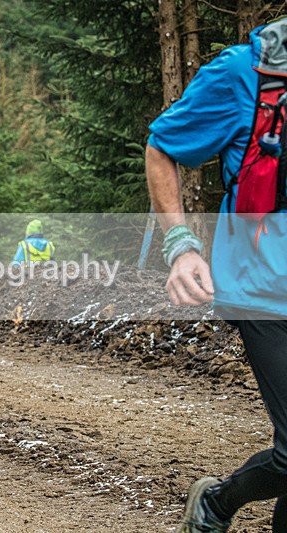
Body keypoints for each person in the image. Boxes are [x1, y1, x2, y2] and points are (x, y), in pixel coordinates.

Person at [145, 19, 287, 533]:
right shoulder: (241, 72)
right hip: (263, 290)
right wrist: (181, 246)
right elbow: (162, 148)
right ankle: (218, 504)